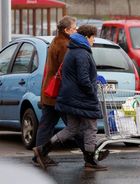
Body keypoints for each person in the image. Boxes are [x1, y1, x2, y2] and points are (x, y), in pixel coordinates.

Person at [33, 16, 108, 167]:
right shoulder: (66, 46)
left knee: (55, 125)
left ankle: (41, 153)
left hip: (54, 91)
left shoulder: (58, 42)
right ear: (66, 30)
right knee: (77, 127)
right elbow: (75, 72)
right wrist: (90, 87)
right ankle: (90, 156)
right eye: (74, 29)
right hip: (61, 93)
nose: (76, 31)